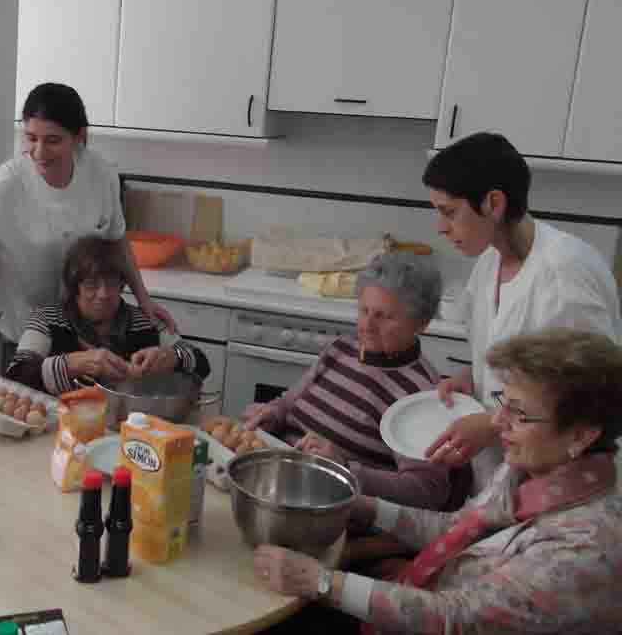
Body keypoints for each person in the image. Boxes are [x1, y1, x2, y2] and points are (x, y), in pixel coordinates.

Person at [252, 328, 622, 635]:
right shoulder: (530, 470)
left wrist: (319, 582)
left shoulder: (586, 549)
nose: (497, 423)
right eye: (502, 403)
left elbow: (456, 618)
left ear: (581, 436)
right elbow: (455, 529)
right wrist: (359, 503)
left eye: (519, 413)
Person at [0, 82, 175, 354]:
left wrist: (144, 300)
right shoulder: (4, 187)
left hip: (89, 333)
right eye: (31, 138)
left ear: (78, 136)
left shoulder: (101, 175)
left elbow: (117, 242)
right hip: (25, 333)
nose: (39, 152)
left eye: (53, 140)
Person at [422, 132, 621, 491]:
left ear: (493, 204)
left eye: (449, 212)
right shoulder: (489, 260)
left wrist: (491, 423)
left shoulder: (564, 277)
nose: (440, 226)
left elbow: (592, 398)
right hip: (501, 477)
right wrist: (476, 374)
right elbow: (520, 357)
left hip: (559, 486)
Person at [245, 252, 461, 510]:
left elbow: (429, 490)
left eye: (385, 316)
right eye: (364, 310)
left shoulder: (421, 394)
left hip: (328, 506)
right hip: (279, 475)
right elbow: (289, 403)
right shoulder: (341, 349)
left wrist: (345, 469)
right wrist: (272, 413)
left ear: (421, 324)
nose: (367, 325)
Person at [6, 237, 209, 394]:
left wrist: (174, 357)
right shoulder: (47, 319)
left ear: (122, 285)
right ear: (75, 287)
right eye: (91, 285)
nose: (103, 294)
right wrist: (73, 364)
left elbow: (202, 364)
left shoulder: (147, 323)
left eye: (111, 283)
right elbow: (16, 376)